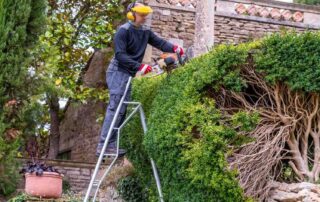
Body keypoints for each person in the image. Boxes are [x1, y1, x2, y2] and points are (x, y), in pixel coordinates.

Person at [96, 1, 184, 157]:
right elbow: (120, 55)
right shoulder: (123, 31)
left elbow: (160, 43)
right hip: (117, 72)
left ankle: (111, 144)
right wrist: (139, 66)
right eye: (141, 14)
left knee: (122, 110)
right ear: (132, 14)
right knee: (116, 107)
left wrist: (174, 48)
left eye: (146, 14)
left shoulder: (145, 32)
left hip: (128, 73)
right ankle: (103, 145)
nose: (144, 17)